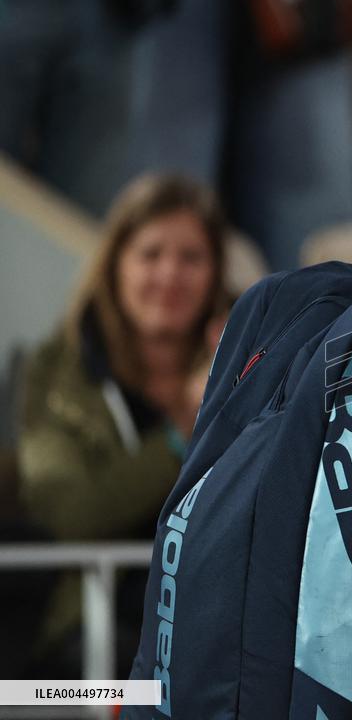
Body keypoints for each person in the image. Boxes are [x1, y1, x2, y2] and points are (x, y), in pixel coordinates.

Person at [16, 173, 230, 677]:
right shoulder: (58, 370)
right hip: (90, 626)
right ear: (114, 266)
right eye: (150, 254)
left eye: (191, 258)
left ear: (216, 272)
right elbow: (71, 512)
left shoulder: (253, 361)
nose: (170, 275)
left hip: (219, 615)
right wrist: (183, 426)